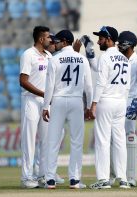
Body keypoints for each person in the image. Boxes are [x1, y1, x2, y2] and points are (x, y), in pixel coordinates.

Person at [42, 29, 93, 189]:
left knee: (53, 140)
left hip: (57, 100)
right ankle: (75, 179)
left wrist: (45, 106)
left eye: (57, 41)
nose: (54, 43)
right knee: (77, 141)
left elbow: (49, 86)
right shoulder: (82, 59)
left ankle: (50, 179)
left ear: (64, 42)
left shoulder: (54, 59)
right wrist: (90, 106)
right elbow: (89, 87)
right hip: (76, 101)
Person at [89, 26, 131, 189]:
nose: (98, 41)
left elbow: (100, 83)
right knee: (119, 141)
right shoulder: (124, 59)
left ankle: (103, 180)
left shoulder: (105, 58)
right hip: (120, 101)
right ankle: (123, 179)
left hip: (106, 101)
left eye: (101, 38)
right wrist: (124, 102)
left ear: (108, 39)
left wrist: (93, 104)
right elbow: (127, 85)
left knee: (102, 141)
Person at [111, 31, 137, 187]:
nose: (118, 45)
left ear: (130, 45)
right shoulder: (118, 59)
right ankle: (113, 174)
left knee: (129, 136)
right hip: (117, 100)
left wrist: (136, 103)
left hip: (131, 101)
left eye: (121, 43)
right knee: (114, 138)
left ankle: (131, 176)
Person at [19, 26, 52, 188]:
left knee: (46, 140)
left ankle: (43, 175)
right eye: (48, 37)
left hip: (46, 103)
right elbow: (23, 81)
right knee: (29, 140)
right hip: (31, 101)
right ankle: (26, 177)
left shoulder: (49, 55)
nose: (51, 40)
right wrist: (43, 94)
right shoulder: (28, 54)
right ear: (40, 39)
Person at [32, 33, 65, 185]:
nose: (53, 43)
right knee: (46, 139)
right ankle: (42, 174)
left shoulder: (51, 58)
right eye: (51, 41)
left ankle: (50, 170)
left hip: (52, 102)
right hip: (42, 101)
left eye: (54, 41)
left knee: (57, 136)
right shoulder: (36, 55)